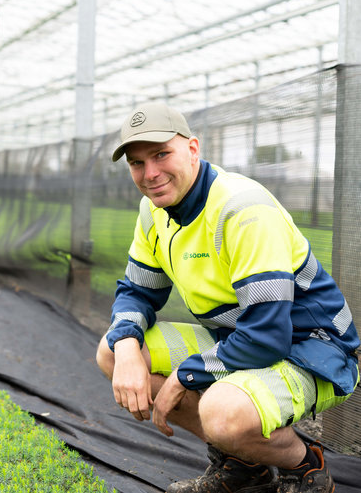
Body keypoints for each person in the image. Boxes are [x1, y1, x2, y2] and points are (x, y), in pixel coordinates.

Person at [96, 101, 360, 493]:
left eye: (161, 154)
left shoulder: (242, 208)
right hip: (237, 335)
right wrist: (128, 345)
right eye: (137, 163)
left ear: (193, 149)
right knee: (113, 351)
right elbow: (137, 291)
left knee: (221, 411)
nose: (150, 174)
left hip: (309, 345)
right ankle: (243, 465)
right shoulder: (153, 211)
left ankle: (305, 465)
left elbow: (268, 335)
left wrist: (184, 377)